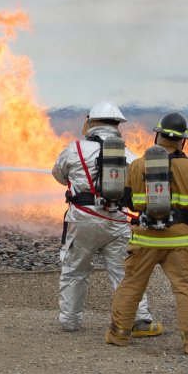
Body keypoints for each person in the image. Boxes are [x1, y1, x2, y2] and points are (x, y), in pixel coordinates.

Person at [105, 111, 188, 354]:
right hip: (180, 239)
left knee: (132, 285)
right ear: (182, 140)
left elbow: (128, 202)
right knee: (185, 288)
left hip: (144, 238)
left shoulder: (137, 165)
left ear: (158, 136)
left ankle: (118, 335)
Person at [52, 101, 163, 335]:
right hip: (117, 220)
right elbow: (139, 183)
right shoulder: (128, 153)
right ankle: (140, 320)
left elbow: (59, 175)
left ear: (90, 122)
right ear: (116, 125)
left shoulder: (75, 149)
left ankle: (70, 323)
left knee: (74, 271)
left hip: (81, 219)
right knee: (125, 273)